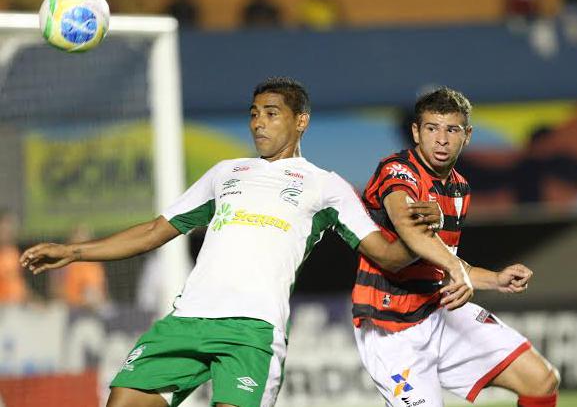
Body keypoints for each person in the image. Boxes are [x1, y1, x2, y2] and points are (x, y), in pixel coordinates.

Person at [21, 77, 470, 407]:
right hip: (187, 320)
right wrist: (74, 251)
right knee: (121, 402)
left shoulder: (326, 186)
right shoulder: (225, 173)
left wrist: (420, 232)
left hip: (253, 331)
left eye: (271, 113)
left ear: (301, 121)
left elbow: (387, 255)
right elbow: (154, 232)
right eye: (254, 113)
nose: (259, 123)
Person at [352, 87, 560, 407]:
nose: (442, 139)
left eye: (452, 129)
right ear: (416, 132)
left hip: (439, 312)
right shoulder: (398, 172)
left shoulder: (459, 187)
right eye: (432, 128)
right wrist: (453, 269)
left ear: (468, 135)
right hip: (391, 330)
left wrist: (495, 279)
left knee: (541, 379)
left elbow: (446, 260)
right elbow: (410, 230)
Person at [48, 224, 108, 311]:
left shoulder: (95, 263)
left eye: (84, 238)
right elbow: (54, 290)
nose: (81, 242)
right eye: (77, 238)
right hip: (70, 308)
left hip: (94, 308)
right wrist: (79, 301)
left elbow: (103, 290)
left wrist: (98, 300)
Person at [0, 209, 28, 304]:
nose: (9, 231)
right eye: (5, 228)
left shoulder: (14, 253)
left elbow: (19, 283)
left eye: (11, 228)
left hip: (17, 306)